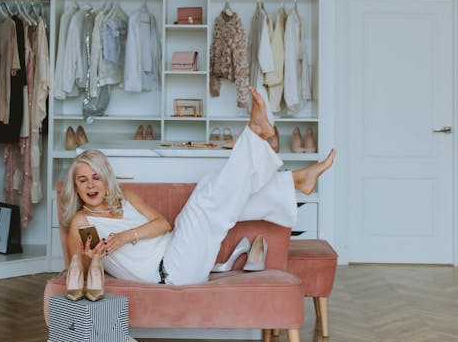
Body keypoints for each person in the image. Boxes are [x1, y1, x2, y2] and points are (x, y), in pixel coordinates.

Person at [44, 87, 335, 315]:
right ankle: (272, 156)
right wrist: (91, 256)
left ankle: (291, 181)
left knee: (208, 187)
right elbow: (77, 268)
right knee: (206, 202)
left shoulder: (125, 198)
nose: (91, 185)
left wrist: (124, 237)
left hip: (177, 246)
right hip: (170, 274)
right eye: (82, 181)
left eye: (96, 177)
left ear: (106, 178)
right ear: (75, 187)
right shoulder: (85, 221)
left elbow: (163, 224)